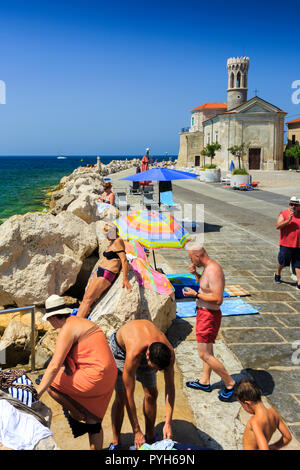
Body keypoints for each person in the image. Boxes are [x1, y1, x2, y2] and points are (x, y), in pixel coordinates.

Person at [36, 294, 117, 450]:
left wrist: (38, 393)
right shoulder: (81, 322)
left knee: (49, 382)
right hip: (109, 375)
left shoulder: (67, 329)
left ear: (52, 317)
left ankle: (76, 413)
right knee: (94, 421)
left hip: (95, 376)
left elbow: (53, 366)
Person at [109, 319, 175, 450]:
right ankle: (116, 442)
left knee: (152, 393)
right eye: (154, 368)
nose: (155, 371)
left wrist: (168, 422)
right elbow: (129, 395)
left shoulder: (169, 353)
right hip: (121, 351)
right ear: (148, 355)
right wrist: (136, 430)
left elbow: (170, 388)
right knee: (121, 395)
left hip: (147, 348)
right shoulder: (134, 353)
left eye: (157, 369)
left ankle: (150, 436)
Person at [182, 244, 235, 402]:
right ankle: (205, 381)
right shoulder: (207, 268)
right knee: (208, 351)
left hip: (209, 316)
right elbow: (207, 289)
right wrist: (196, 275)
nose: (191, 261)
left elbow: (218, 299)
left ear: (197, 256)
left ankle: (230, 383)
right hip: (204, 313)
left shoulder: (213, 269)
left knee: (203, 353)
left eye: (191, 258)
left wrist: (195, 294)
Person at [76, 223, 132, 318]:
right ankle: (79, 318)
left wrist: (125, 278)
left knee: (88, 300)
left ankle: (76, 322)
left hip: (107, 274)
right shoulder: (112, 241)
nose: (106, 237)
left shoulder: (118, 241)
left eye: (108, 234)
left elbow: (124, 260)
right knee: (86, 298)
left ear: (113, 232)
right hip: (100, 271)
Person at [234, 379, 292, 450]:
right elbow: (288, 437)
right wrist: (274, 446)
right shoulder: (273, 412)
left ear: (247, 404)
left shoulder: (255, 422)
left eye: (242, 405)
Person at [274, 196, 300, 290]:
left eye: (295, 205)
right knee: (283, 262)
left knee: (298, 264)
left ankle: (299, 283)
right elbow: (278, 226)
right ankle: (277, 273)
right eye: (291, 204)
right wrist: (288, 220)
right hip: (286, 244)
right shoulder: (284, 214)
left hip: (298, 245)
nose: (292, 206)